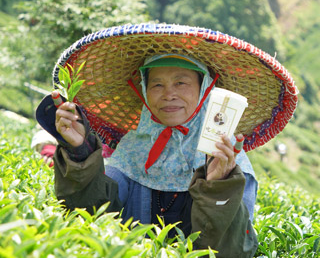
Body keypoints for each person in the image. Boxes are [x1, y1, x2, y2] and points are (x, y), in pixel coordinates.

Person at [36, 23, 298, 257]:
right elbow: (88, 215)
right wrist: (79, 151)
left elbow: (236, 251)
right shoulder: (133, 151)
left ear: (205, 89)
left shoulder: (230, 163)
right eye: (157, 85)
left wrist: (218, 186)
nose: (168, 94)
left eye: (181, 82)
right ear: (145, 92)